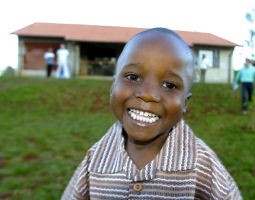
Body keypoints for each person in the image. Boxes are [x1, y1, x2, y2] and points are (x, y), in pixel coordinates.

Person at [62, 28, 242, 199]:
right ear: (112, 87)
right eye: (133, 77)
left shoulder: (202, 166)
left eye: (169, 85)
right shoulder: (96, 159)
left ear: (185, 103)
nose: (148, 94)